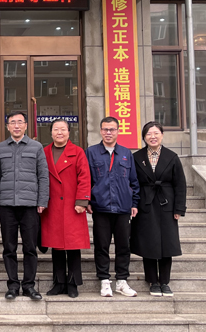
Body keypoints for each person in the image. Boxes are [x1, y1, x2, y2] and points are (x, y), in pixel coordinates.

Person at [0, 111, 49, 301]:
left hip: (30, 205)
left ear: (26, 125)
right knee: (9, 247)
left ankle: (29, 285)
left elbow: (43, 176)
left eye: (20, 122)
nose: (16, 126)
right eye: (12, 122)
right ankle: (12, 285)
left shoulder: (36, 147)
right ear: (7, 126)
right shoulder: (0, 148)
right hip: (7, 205)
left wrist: (42, 201)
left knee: (30, 248)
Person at [85, 116, 140, 297]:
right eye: (105, 129)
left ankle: (122, 281)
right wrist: (87, 201)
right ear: (100, 131)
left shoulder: (126, 153)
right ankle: (104, 281)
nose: (108, 132)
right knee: (102, 245)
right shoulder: (91, 152)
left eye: (112, 129)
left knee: (123, 246)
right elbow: (86, 179)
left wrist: (134, 202)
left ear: (117, 131)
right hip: (100, 207)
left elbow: (133, 181)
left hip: (123, 207)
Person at [132, 121, 186, 297]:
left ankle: (164, 282)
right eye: (149, 134)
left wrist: (179, 208)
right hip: (145, 204)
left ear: (162, 135)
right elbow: (133, 183)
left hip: (166, 204)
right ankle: (152, 281)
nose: (152, 137)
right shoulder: (137, 157)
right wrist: (133, 204)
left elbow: (180, 184)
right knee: (148, 243)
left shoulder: (172, 157)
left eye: (156, 133)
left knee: (166, 244)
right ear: (144, 137)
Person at [40, 118, 91, 298]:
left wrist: (82, 201)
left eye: (63, 129)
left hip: (72, 206)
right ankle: (59, 282)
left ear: (69, 132)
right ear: (51, 132)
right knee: (56, 246)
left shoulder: (77, 152)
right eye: (56, 129)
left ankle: (73, 283)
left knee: (73, 246)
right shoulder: (44, 152)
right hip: (52, 206)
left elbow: (84, 177)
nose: (59, 132)